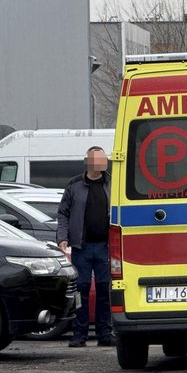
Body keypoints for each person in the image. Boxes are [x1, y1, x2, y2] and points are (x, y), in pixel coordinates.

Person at [57, 146, 115, 347]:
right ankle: (79, 334)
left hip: (105, 248)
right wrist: (62, 237)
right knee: (80, 291)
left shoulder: (112, 183)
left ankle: (104, 333)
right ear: (88, 162)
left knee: (104, 290)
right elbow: (63, 213)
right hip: (81, 247)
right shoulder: (74, 185)